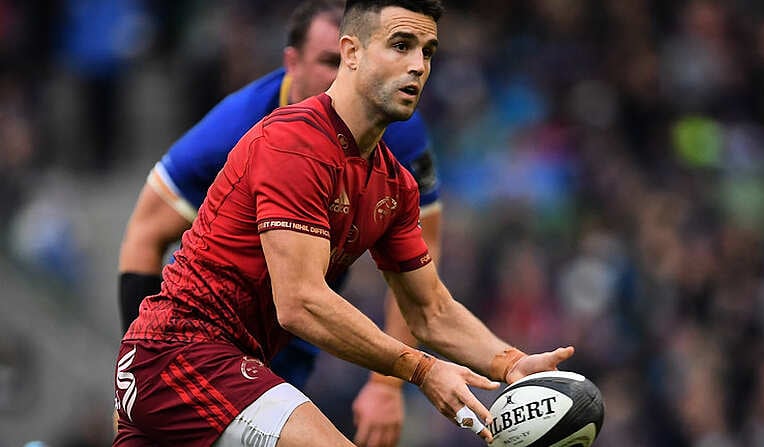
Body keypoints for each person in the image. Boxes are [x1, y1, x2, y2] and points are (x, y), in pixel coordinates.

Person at [113, 1, 575, 445]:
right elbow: (300, 302)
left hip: (221, 366)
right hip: (180, 353)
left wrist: (509, 362)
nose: (418, 65)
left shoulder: (396, 184)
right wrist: (420, 370)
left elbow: (430, 310)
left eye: (427, 51)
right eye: (400, 45)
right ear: (351, 53)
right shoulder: (294, 142)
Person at [117, 1, 440, 446]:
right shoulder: (239, 128)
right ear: (294, 62)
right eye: (328, 61)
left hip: (281, 342)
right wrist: (142, 370)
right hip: (199, 345)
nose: (338, 76)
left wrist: (390, 386)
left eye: (427, 53)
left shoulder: (396, 137)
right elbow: (144, 233)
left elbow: (427, 286)